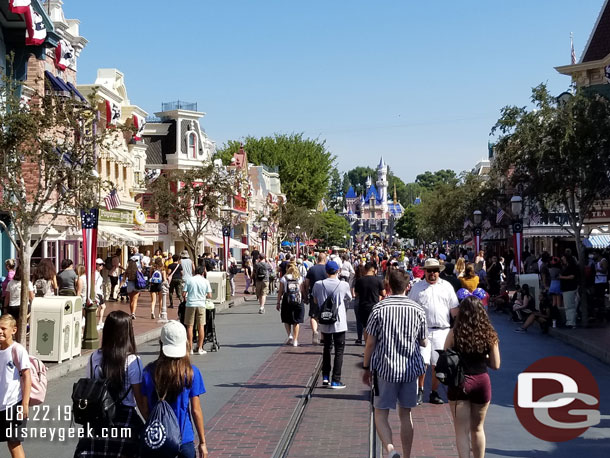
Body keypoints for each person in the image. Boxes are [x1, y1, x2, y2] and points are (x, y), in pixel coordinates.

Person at [362, 268, 427, 458]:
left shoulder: (379, 309)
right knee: (406, 414)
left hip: (385, 368)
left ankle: (390, 449)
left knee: (380, 412)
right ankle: (406, 456)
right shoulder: (417, 310)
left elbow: (370, 342)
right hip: (409, 370)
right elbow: (423, 341)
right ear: (407, 286)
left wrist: (366, 366)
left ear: (388, 285)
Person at [74, 311, 146, 457]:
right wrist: (150, 421)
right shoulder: (133, 361)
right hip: (125, 418)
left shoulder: (95, 356)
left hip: (98, 417)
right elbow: (139, 400)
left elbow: (90, 388)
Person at [444, 296, 500, 458]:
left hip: (460, 382)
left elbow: (446, 355)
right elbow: (496, 365)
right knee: (478, 428)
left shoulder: (454, 332)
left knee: (461, 431)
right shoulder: (489, 334)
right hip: (481, 380)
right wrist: (483, 358)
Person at [141, 321, 208, 458]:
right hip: (184, 438)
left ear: (161, 344)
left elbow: (145, 408)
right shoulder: (191, 372)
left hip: (158, 438)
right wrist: (202, 442)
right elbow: (196, 410)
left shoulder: (148, 372)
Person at [408, 258, 459, 405]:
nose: (432, 274)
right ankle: (420, 390)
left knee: (438, 365)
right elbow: (411, 309)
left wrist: (458, 326)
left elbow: (454, 309)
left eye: (435, 271)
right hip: (423, 330)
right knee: (422, 363)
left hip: (442, 331)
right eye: (429, 271)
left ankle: (434, 392)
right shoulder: (417, 288)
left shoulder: (447, 287)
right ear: (424, 272)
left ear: (439, 272)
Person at [312, 260, 352, 389]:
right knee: (339, 351)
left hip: (325, 320)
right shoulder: (343, 284)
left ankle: (325, 377)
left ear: (326, 271)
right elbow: (349, 297)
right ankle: (336, 380)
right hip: (339, 321)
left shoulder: (318, 284)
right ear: (338, 271)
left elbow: (315, 299)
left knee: (326, 349)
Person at [0, 314, 31, 458]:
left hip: (14, 404)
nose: (0, 331)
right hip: (0, 405)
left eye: (3, 328)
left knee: (14, 443)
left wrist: (24, 404)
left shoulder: (17, 350)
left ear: (13, 330)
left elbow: (26, 376)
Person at [182, 265, 212, 355]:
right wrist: (203, 295)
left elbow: (184, 293)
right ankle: (200, 348)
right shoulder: (205, 281)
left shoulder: (189, 280)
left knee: (189, 326)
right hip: (201, 304)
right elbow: (210, 295)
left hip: (190, 304)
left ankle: (190, 348)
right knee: (201, 326)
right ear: (203, 272)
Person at [353, 262, 386, 341]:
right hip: (374, 307)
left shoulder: (360, 280)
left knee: (365, 327)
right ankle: (373, 347)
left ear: (365, 269)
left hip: (363, 306)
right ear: (374, 270)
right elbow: (383, 293)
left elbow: (356, 294)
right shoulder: (378, 280)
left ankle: (367, 347)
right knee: (375, 327)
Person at [276, 262, 305, 346]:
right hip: (298, 299)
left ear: (287, 269)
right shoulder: (300, 278)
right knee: (296, 321)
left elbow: (280, 292)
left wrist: (278, 302)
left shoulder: (284, 278)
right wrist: (305, 298)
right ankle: (295, 340)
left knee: (286, 319)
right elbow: (302, 290)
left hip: (287, 300)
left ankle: (289, 335)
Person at [304, 252, 328, 344]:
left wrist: (306, 294)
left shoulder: (312, 269)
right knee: (324, 315)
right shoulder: (327, 269)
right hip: (326, 296)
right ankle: (323, 337)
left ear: (317, 259)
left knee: (313, 315)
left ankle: (315, 331)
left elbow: (306, 283)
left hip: (314, 295)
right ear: (325, 259)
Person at [560, 254, 579, 328]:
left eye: (564, 259)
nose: (563, 260)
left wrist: (561, 277)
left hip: (569, 288)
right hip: (567, 288)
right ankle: (569, 321)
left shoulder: (572, 267)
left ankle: (571, 322)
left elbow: (572, 276)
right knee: (568, 305)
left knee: (569, 305)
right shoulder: (567, 267)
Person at [94, 259, 107, 330]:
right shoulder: (95, 273)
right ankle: (98, 322)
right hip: (97, 293)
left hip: (99, 292)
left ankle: (100, 322)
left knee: (102, 307)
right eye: (100, 264)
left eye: (102, 265)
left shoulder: (97, 273)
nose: (102, 266)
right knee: (100, 307)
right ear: (96, 265)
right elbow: (94, 284)